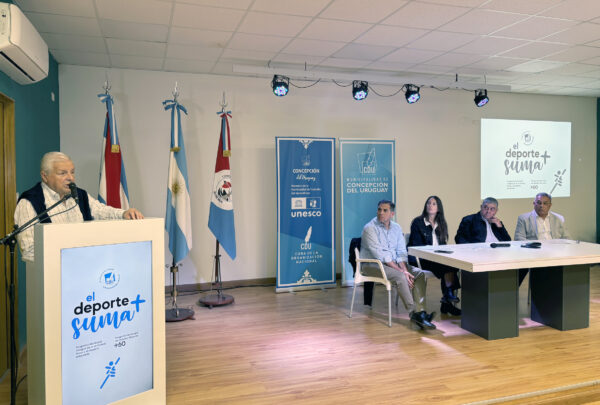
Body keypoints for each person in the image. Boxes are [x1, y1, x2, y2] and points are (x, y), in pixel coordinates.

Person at [14, 151, 144, 262]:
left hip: (84, 266)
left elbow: (101, 211)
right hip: (51, 273)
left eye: (72, 172)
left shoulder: (79, 195)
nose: (70, 178)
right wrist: (65, 257)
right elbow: (29, 250)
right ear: (45, 176)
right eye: (62, 173)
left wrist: (123, 213)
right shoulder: (29, 201)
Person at [361, 199, 436, 329]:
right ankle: (414, 313)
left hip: (392, 263)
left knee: (419, 274)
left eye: (385, 210)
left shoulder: (396, 228)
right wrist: (402, 272)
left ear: (392, 214)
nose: (381, 213)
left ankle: (421, 312)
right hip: (372, 264)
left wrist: (405, 269)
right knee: (400, 276)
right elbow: (382, 256)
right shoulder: (369, 228)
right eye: (379, 209)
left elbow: (401, 252)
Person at [408, 196, 461, 316]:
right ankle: (447, 300)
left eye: (434, 204)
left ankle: (447, 299)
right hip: (422, 259)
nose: (430, 206)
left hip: (437, 259)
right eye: (428, 203)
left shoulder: (441, 223)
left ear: (438, 208)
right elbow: (416, 246)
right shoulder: (418, 222)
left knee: (453, 265)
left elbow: (443, 245)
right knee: (448, 267)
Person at [514, 192, 571, 285]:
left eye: (545, 203)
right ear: (534, 204)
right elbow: (519, 239)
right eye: (539, 203)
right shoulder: (523, 218)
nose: (541, 206)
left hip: (555, 253)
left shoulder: (559, 218)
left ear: (550, 205)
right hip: (535, 253)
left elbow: (567, 238)